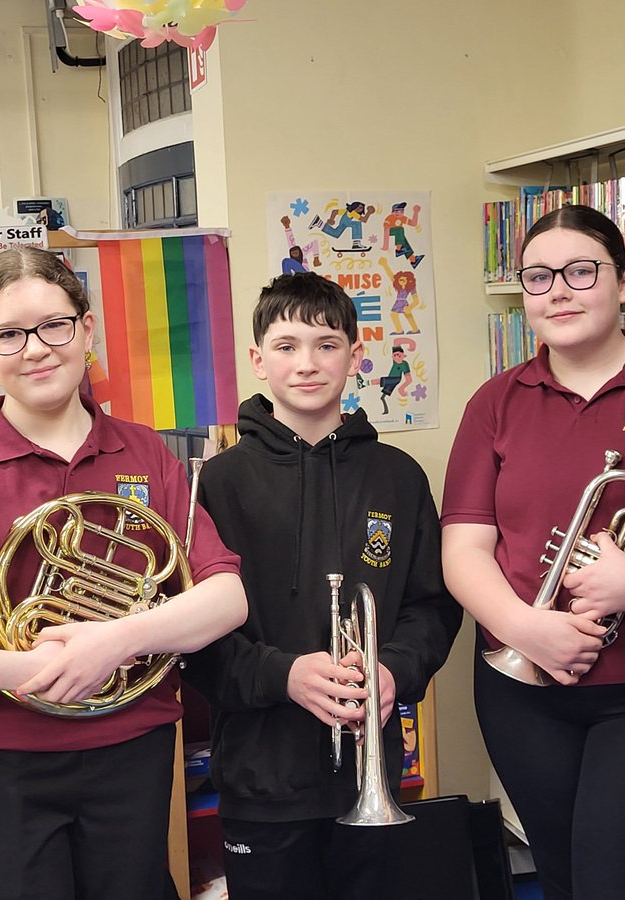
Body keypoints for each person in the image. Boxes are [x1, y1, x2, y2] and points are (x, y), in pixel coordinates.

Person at [0, 245, 248, 900]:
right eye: (9, 334)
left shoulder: (144, 451)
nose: (35, 348)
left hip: (130, 750)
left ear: (86, 331)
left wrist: (112, 643)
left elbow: (225, 597)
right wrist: (24, 671)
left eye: (54, 325)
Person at [182, 271, 462, 900]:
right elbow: (194, 638)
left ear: (355, 357)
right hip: (261, 776)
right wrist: (283, 675)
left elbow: (432, 608)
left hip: (371, 770)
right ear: (257, 360)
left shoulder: (398, 476)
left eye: (327, 344)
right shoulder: (217, 484)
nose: (307, 363)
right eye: (286, 347)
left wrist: (393, 669)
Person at [442, 204, 625, 900]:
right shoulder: (496, 402)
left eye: (580, 271)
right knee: (563, 872)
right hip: (521, 688)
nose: (559, 292)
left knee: (618, 877)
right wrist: (528, 629)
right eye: (538, 278)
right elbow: (465, 547)